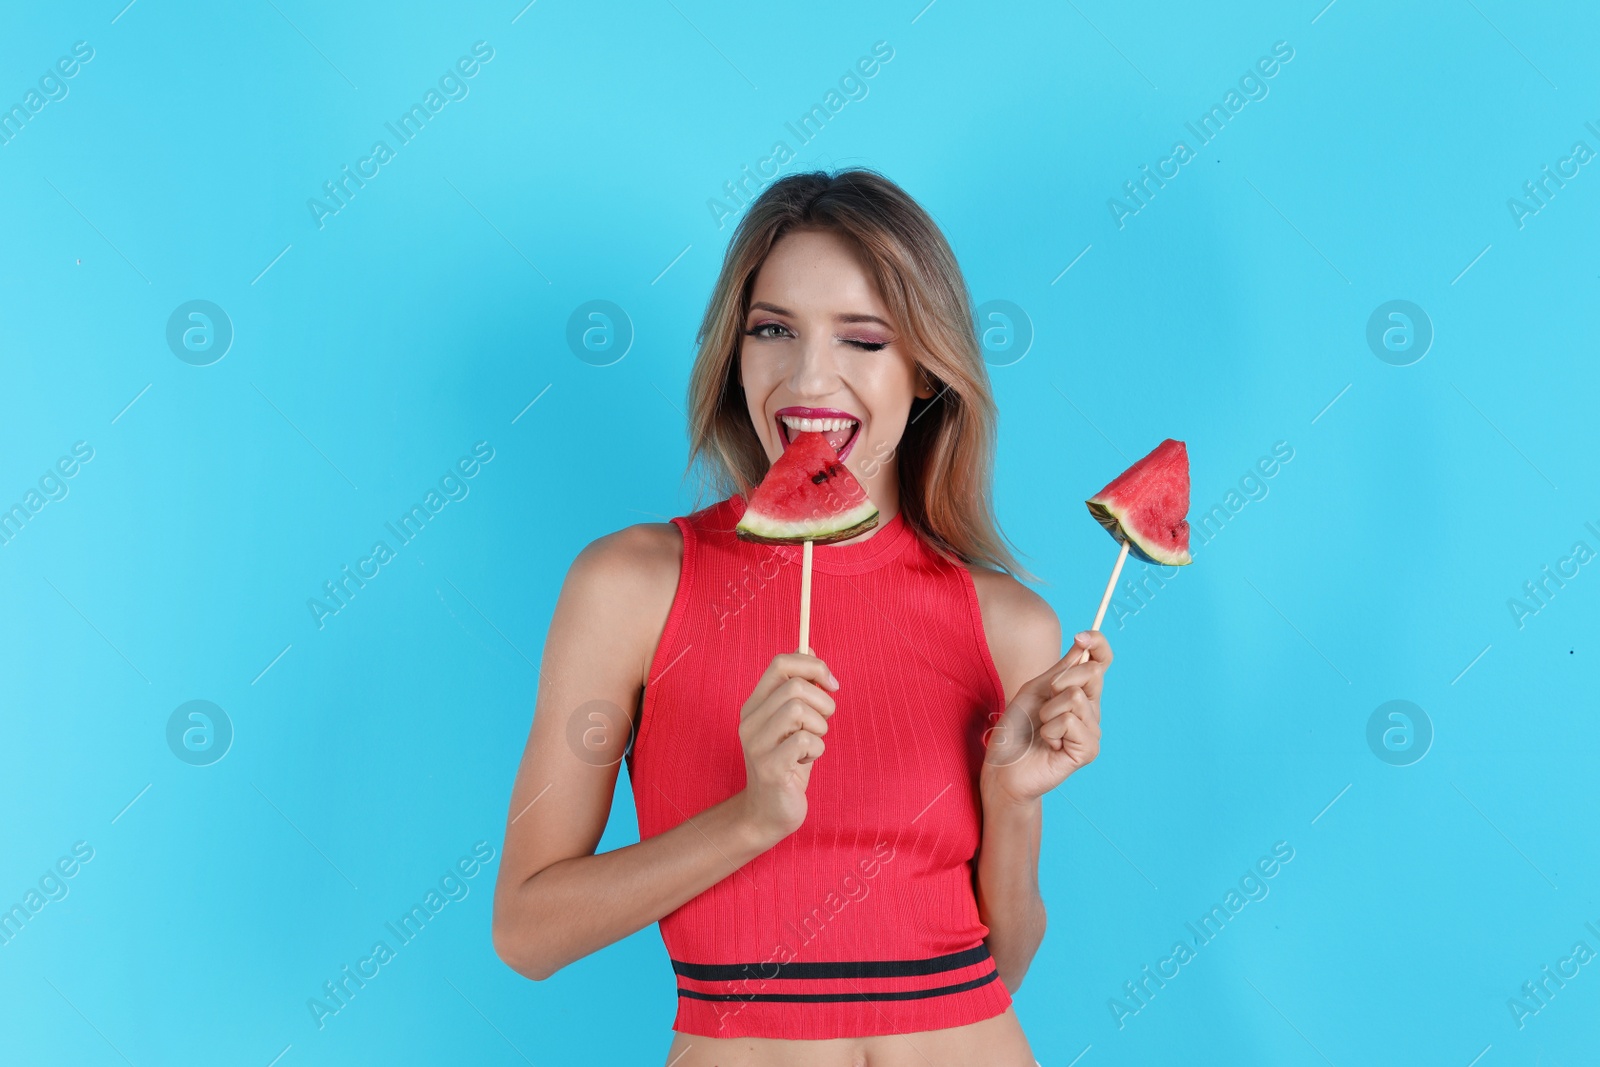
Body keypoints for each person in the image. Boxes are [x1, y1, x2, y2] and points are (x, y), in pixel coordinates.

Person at [491, 169, 1112, 1066]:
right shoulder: (631, 584)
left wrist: (1009, 798)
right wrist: (749, 817)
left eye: (863, 340)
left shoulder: (1010, 622)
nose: (808, 376)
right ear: (735, 353)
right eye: (773, 329)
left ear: (927, 369)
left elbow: (997, 967)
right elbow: (527, 930)